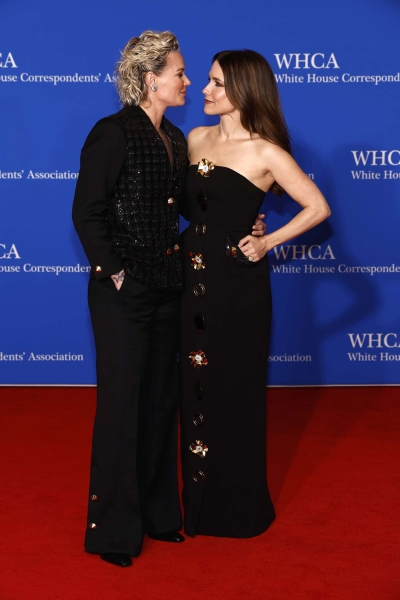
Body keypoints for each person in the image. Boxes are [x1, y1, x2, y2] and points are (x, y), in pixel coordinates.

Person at [72, 32, 265, 568]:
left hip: (169, 290)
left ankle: (160, 518)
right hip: (123, 296)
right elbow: (86, 212)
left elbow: (191, 206)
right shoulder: (112, 134)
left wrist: (244, 217)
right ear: (150, 78)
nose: (188, 81)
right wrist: (113, 274)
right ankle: (112, 532)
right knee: (121, 409)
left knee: (160, 407)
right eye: (180, 73)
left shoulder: (176, 139)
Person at [180, 49, 331, 538]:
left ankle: (237, 510)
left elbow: (317, 207)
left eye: (217, 83)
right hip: (188, 281)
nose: (205, 90)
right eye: (206, 80)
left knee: (234, 391)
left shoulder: (266, 151)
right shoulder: (194, 139)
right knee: (191, 389)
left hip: (236, 289)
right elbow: (196, 207)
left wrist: (267, 240)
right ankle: (195, 506)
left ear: (243, 90)